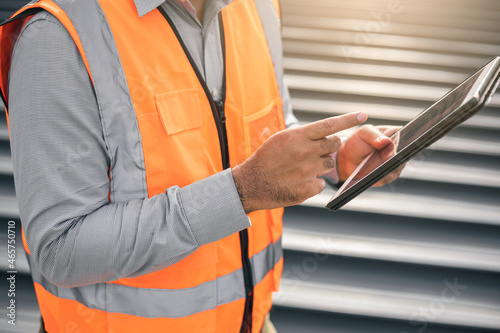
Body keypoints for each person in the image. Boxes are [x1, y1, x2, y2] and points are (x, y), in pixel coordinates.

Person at [0, 0, 402, 332]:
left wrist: (337, 156)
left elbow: (268, 127)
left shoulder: (258, 7)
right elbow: (60, 249)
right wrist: (241, 192)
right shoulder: (56, 38)